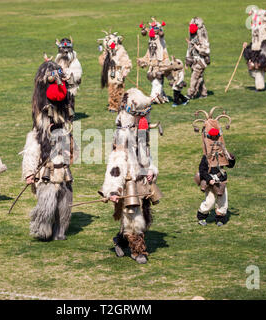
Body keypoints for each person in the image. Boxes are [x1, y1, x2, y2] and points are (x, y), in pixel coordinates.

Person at [101, 88, 163, 264]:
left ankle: (120, 240)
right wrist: (113, 189)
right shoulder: (122, 135)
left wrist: (151, 169)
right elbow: (116, 163)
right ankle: (138, 251)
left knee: (144, 215)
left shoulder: (141, 133)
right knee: (134, 218)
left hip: (142, 180)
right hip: (128, 182)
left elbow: (146, 154)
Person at [21, 58, 75, 241]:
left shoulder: (64, 126)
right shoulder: (38, 133)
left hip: (63, 170)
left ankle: (61, 229)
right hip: (46, 170)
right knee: (47, 200)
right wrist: (29, 172)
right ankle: (43, 229)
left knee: (64, 202)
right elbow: (31, 151)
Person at [192, 107, 235, 226]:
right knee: (209, 201)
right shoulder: (206, 157)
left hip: (221, 180)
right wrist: (209, 179)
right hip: (210, 181)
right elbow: (202, 170)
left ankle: (220, 218)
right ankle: (202, 216)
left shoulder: (222, 153)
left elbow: (229, 165)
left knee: (223, 201)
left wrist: (232, 159)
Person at [98, 30, 132, 112]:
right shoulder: (107, 52)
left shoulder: (121, 50)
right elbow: (102, 61)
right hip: (111, 72)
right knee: (111, 88)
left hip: (119, 71)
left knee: (119, 88)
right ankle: (113, 105)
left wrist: (125, 71)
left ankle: (119, 104)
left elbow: (126, 61)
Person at [243, 8, 266, 91]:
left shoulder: (265, 27)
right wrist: (247, 48)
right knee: (253, 71)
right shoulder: (255, 28)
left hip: (261, 50)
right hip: (255, 48)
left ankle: (260, 87)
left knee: (258, 70)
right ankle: (260, 84)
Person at [185, 17, 210, 100]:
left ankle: (190, 93)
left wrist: (197, 47)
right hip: (194, 61)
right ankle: (203, 93)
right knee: (199, 77)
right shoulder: (193, 37)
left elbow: (206, 51)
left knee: (194, 78)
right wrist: (187, 61)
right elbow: (189, 49)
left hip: (200, 61)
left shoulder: (202, 39)